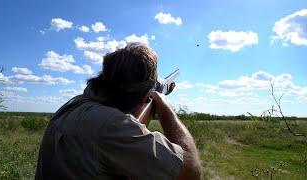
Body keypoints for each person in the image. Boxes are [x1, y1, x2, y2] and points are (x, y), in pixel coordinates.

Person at [35, 43, 201, 180]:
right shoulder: (111, 125)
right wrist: (164, 106)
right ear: (145, 95)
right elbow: (190, 173)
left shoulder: (74, 105)